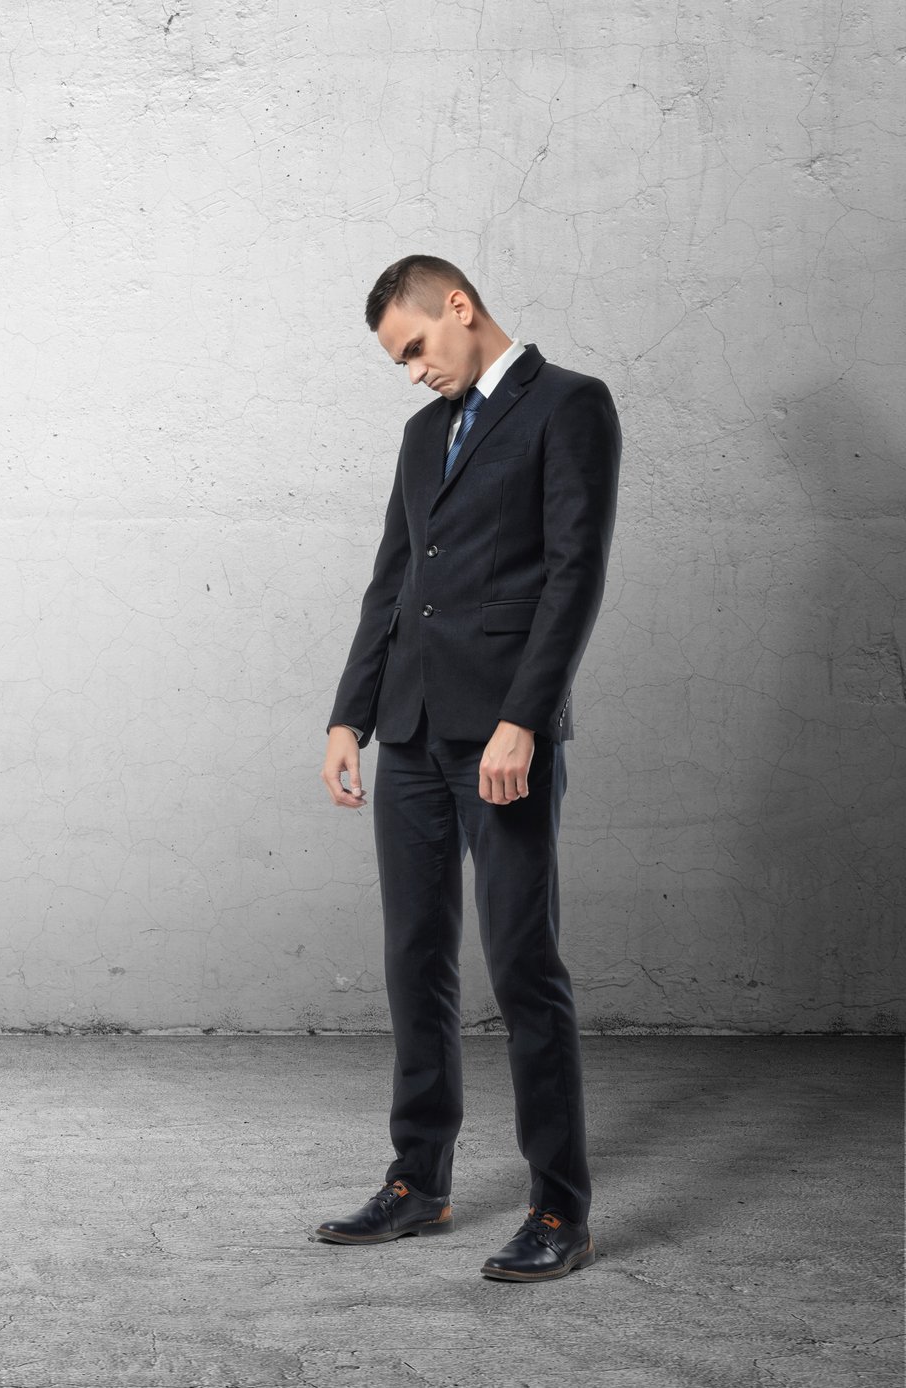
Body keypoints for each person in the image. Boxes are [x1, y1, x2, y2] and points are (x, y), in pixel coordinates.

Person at [314, 255, 621, 1281]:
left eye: (414, 348)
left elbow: (575, 572)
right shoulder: (419, 435)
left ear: (459, 306)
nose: (411, 372)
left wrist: (523, 718)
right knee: (416, 961)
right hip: (407, 731)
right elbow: (391, 579)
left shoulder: (570, 405)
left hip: (500, 739)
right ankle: (418, 1180)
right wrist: (349, 715)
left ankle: (560, 1208)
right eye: (397, 362)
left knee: (525, 965)